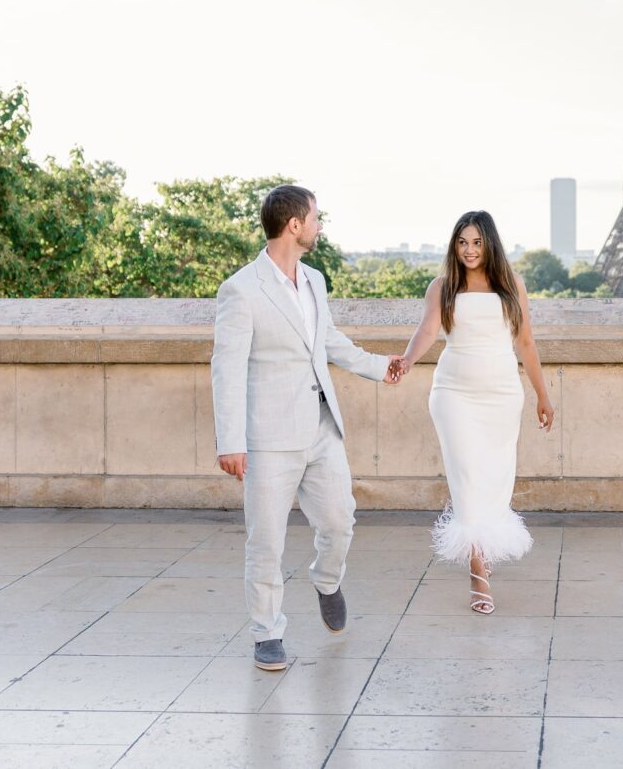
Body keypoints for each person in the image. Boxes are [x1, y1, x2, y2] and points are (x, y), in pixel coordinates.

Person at [211, 184, 404, 671]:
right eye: (316, 218)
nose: (320, 225)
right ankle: (266, 633)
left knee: (340, 521)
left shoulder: (315, 280)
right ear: (294, 225)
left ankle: (327, 579)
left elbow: (328, 341)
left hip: (322, 427)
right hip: (268, 437)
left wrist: (381, 367)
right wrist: (230, 441)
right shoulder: (241, 289)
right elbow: (226, 368)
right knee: (267, 541)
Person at [392, 210, 554, 614]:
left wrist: (542, 395)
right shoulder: (442, 286)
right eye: (462, 242)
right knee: (466, 477)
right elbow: (428, 330)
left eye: (477, 242)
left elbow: (527, 343)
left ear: (490, 244)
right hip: (453, 393)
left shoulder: (511, 284)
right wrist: (408, 360)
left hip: (501, 393)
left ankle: (484, 549)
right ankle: (478, 572)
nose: (469, 250)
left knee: (495, 478)